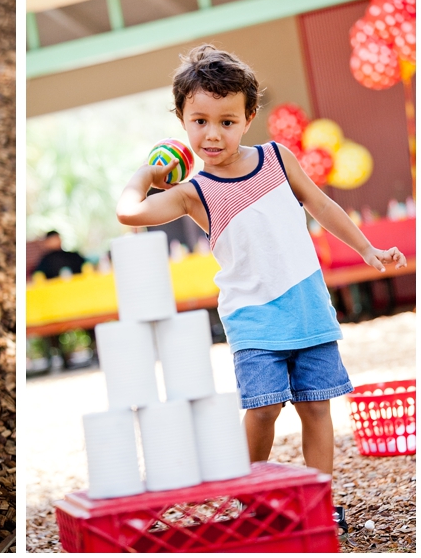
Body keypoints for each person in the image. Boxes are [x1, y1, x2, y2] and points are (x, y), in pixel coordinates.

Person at [116, 44, 406, 533]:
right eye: (200, 120)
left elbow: (321, 204)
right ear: (182, 121)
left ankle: (318, 501)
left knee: (316, 406)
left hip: (308, 304)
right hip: (252, 316)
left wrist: (367, 249)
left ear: (249, 117)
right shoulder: (192, 192)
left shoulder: (276, 158)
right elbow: (130, 212)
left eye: (227, 121)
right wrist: (147, 174)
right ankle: (250, 499)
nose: (213, 133)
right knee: (264, 407)